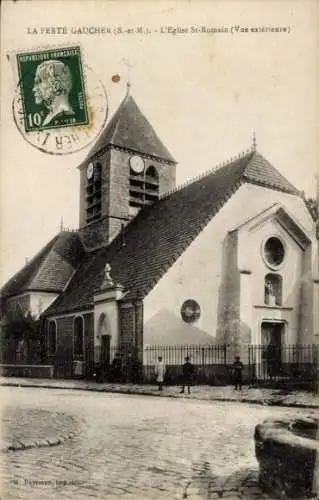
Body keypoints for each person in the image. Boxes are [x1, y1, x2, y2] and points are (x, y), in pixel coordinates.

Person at [32, 59, 75, 126]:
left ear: (55, 86)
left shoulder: (63, 115)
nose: (34, 89)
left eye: (39, 82)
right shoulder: (52, 116)